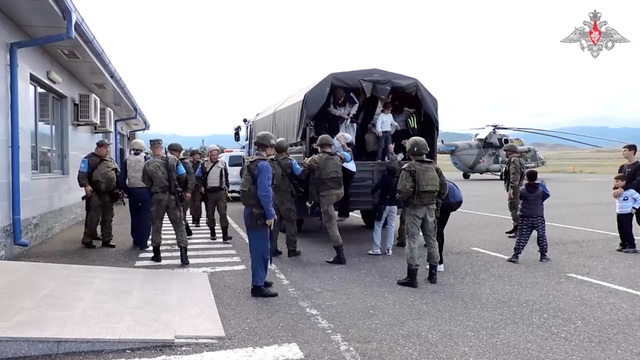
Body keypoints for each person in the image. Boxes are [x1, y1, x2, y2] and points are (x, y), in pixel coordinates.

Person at [396, 137, 447, 288]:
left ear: (410, 151)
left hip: (414, 208)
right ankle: (433, 274)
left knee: (412, 240)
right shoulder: (434, 167)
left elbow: (403, 190)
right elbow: (444, 189)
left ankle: (412, 277)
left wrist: (400, 200)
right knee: (431, 239)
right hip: (430, 207)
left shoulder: (409, 168)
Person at [302, 134, 353, 265]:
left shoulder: (316, 158)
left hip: (326, 195)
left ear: (319, 147)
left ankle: (340, 256)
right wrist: (343, 144)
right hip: (339, 192)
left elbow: (304, 165)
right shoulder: (338, 156)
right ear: (331, 145)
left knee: (331, 225)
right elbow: (349, 155)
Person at [240, 131, 279, 298]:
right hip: (259, 211)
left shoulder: (252, 162)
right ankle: (257, 286)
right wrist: (270, 213)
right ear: (268, 147)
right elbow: (264, 192)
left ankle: (260, 278)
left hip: (251, 210)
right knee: (261, 249)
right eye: (272, 147)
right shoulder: (264, 165)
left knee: (258, 248)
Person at [142, 139, 190, 265]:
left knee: (156, 225)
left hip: (158, 197)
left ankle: (157, 255)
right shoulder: (174, 160)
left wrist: (156, 186)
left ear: (151, 148)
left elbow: (146, 181)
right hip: (173, 196)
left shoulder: (148, 164)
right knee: (179, 225)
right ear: (161, 147)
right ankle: (184, 256)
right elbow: (183, 175)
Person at [77, 139, 120, 249]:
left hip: (109, 194)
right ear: (98, 148)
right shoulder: (88, 159)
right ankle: (88, 239)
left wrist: (119, 188)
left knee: (108, 217)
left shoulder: (110, 160)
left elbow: (117, 174)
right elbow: (82, 174)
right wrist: (86, 185)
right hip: (95, 193)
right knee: (93, 217)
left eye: (108, 148)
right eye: (105, 148)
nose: (107, 150)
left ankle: (107, 239)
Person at [506, 170, 551, 264]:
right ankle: (543, 255)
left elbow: (519, 198)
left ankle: (516, 255)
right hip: (538, 216)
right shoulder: (541, 189)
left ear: (526, 177)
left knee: (522, 237)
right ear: (536, 177)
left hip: (525, 216)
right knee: (542, 236)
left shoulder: (522, 190)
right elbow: (546, 196)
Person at [269, 138, 303, 258]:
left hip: (273, 195)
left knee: (274, 223)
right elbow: (300, 174)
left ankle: (272, 248)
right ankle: (292, 249)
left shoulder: (270, 161)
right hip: (286, 196)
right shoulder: (290, 161)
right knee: (290, 222)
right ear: (286, 148)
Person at [117, 139, 152, 250]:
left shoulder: (127, 160)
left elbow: (121, 180)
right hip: (146, 192)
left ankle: (136, 240)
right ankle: (144, 242)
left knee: (135, 216)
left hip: (133, 192)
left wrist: (127, 190)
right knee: (146, 217)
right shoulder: (148, 159)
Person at [196, 145, 233, 243]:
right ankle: (212, 233)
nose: (215, 157)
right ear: (209, 155)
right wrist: (201, 187)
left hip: (220, 192)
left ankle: (225, 235)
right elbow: (198, 177)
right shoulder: (204, 165)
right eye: (213, 155)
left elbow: (226, 177)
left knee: (223, 213)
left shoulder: (223, 164)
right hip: (209, 193)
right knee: (210, 214)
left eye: (217, 155)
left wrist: (227, 189)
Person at [433, 179, 463, 272]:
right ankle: (439, 261)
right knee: (440, 229)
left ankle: (439, 261)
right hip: (452, 203)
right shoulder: (445, 181)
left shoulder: (434, 182)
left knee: (438, 230)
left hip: (444, 204)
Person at [369, 164, 398, 256]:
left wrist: (373, 193)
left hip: (383, 204)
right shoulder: (397, 180)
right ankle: (389, 249)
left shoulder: (384, 178)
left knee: (378, 225)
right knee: (391, 226)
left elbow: (375, 188)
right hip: (394, 205)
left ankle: (376, 248)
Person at [167, 143, 195, 237]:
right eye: (170, 152)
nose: (171, 154)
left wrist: (189, 191)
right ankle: (186, 229)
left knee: (182, 213)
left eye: (173, 152)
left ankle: (184, 233)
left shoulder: (184, 163)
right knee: (178, 214)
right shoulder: (168, 162)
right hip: (172, 192)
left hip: (183, 191)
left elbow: (191, 178)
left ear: (178, 152)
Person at [612, 173, 640, 254]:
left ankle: (631, 245)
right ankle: (623, 244)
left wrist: (634, 208)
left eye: (617, 181)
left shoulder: (631, 192)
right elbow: (615, 197)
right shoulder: (617, 191)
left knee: (627, 229)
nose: (615, 183)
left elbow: (639, 199)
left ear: (624, 182)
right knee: (621, 229)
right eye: (614, 181)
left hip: (627, 212)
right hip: (620, 212)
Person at [613, 144, 640, 226]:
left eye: (625, 151)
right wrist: (616, 190)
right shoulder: (622, 167)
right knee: (625, 224)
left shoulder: (639, 165)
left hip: (637, 197)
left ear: (632, 152)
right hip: (626, 200)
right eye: (622, 151)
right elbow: (618, 180)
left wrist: (624, 189)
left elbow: (638, 181)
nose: (622, 153)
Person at [502, 143, 525, 238]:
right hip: (517, 187)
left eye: (506, 152)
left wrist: (511, 188)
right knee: (515, 207)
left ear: (510, 152)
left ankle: (519, 230)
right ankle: (516, 227)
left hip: (515, 188)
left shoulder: (513, 161)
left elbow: (514, 175)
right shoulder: (518, 159)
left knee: (514, 208)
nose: (505, 154)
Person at [334, 132, 357, 222]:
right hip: (350, 168)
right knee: (344, 191)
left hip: (346, 168)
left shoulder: (337, 143)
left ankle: (343, 213)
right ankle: (343, 213)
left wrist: (341, 139)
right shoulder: (338, 143)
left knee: (343, 191)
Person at [189, 149, 203, 227]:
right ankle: (193, 217)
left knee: (198, 204)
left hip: (198, 186)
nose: (197, 157)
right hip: (190, 186)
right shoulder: (189, 164)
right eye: (195, 155)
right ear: (192, 156)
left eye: (198, 155)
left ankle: (198, 219)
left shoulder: (201, 164)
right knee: (191, 203)